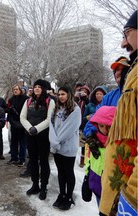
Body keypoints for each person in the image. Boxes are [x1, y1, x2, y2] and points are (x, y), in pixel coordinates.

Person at [99, 10, 137, 216]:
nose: (123, 43)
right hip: (118, 192)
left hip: (129, 199)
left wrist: (132, 194)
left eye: (128, 33)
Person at [20, 79, 55, 200]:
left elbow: (49, 119)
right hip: (30, 135)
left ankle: (44, 186)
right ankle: (35, 184)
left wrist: (37, 129)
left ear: (44, 89)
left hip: (43, 136)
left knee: (44, 161)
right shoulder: (28, 101)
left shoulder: (50, 101)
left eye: (40, 87)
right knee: (33, 161)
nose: (37, 88)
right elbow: (22, 117)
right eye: (35, 86)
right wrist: (30, 128)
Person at [49, 86, 81, 210]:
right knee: (60, 173)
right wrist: (53, 141)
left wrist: (56, 142)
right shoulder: (57, 108)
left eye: (63, 94)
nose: (60, 96)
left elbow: (68, 129)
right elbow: (51, 125)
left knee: (68, 173)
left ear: (69, 95)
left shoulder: (75, 109)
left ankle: (69, 197)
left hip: (68, 147)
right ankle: (61, 194)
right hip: (57, 147)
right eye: (59, 94)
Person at [83, 56, 129, 137]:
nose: (119, 73)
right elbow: (94, 120)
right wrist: (91, 135)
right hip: (111, 145)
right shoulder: (108, 98)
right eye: (117, 70)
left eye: (123, 69)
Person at [84, 106, 116, 207]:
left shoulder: (117, 144)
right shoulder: (93, 141)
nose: (105, 130)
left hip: (112, 191)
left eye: (109, 126)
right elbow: (89, 161)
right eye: (101, 126)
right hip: (97, 186)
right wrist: (87, 179)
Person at [7, 84, 29, 166]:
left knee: (22, 142)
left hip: (22, 123)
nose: (15, 91)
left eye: (17, 89)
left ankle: (22, 159)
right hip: (13, 123)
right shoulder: (11, 99)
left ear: (20, 90)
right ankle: (14, 157)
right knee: (13, 141)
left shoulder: (25, 99)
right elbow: (9, 110)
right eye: (14, 89)